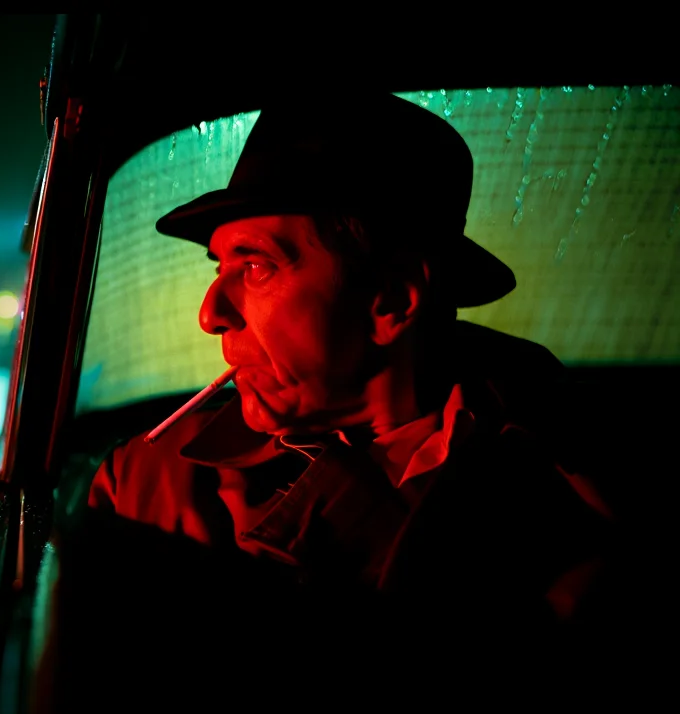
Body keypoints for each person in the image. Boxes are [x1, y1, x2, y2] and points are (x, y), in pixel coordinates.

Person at [87, 94, 636, 655]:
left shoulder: (578, 493)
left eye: (256, 266)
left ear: (391, 298)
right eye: (221, 266)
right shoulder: (148, 485)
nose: (210, 314)